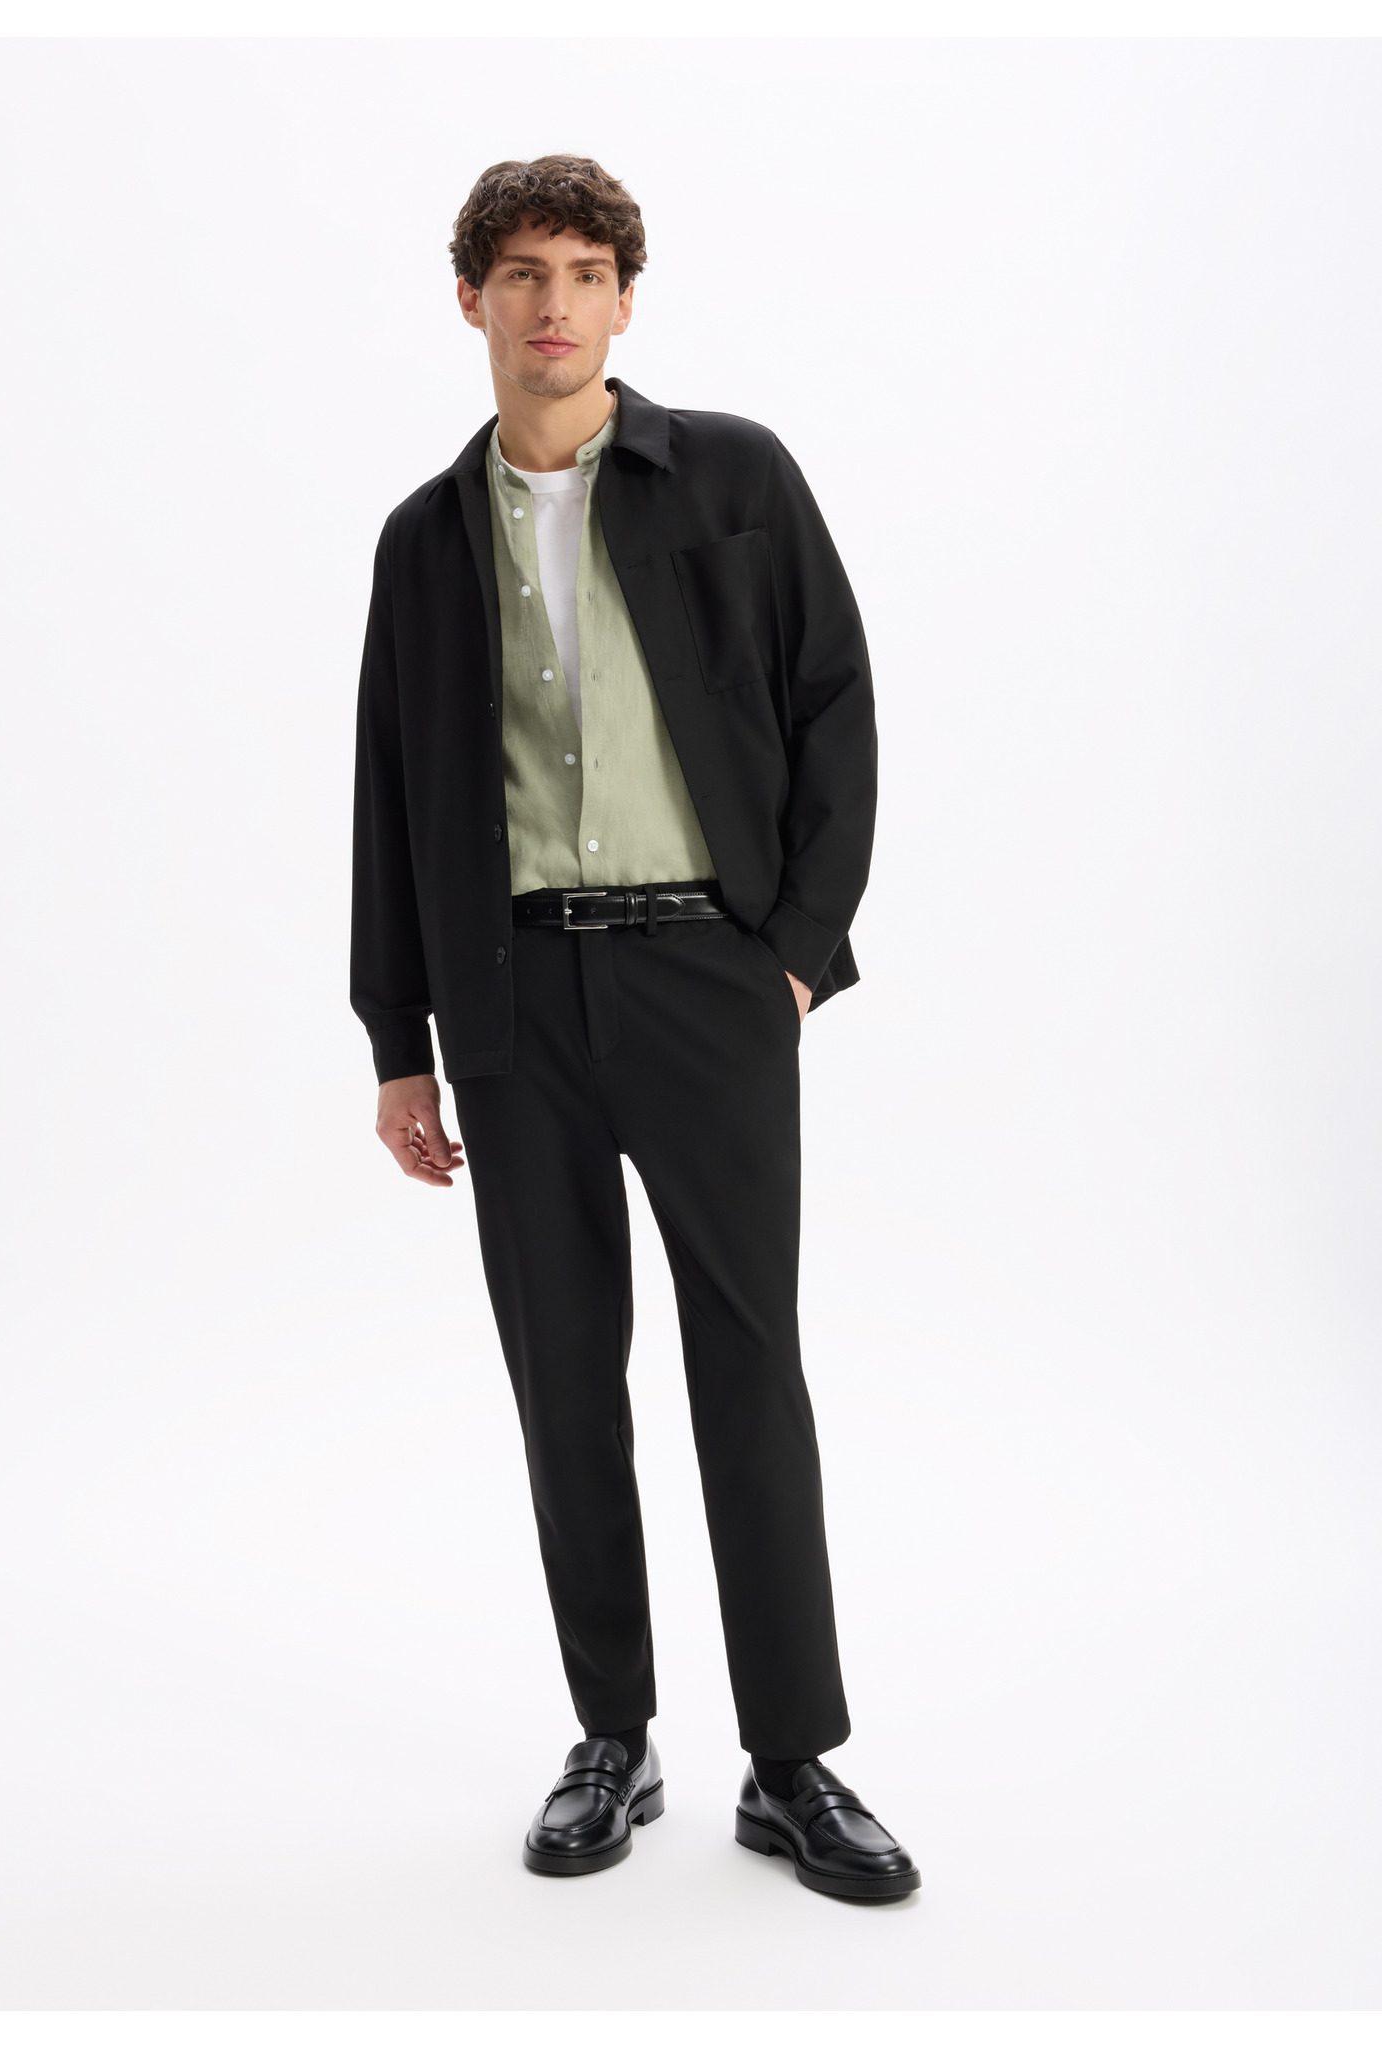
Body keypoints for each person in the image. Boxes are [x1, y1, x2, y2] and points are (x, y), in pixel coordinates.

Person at [350, 155, 919, 1901]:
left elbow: (836, 708)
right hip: (512, 997)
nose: (554, 305)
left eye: (586, 273)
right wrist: (398, 1038)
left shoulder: (734, 475)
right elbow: (388, 793)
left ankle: (793, 1762)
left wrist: (795, 956)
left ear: (622, 298)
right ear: (471, 299)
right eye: (522, 273)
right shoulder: (424, 540)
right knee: (564, 1378)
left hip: (706, 979)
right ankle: (613, 1736)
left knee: (747, 1362)